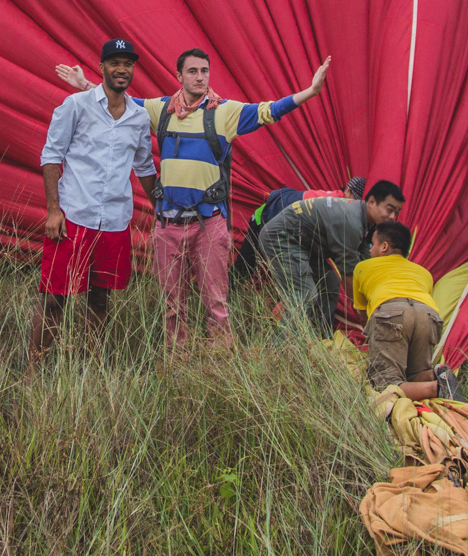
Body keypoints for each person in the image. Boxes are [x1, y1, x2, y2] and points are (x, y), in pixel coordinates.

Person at [57, 49, 331, 346]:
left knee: (216, 302)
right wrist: (85, 86)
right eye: (192, 71)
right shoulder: (160, 109)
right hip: (168, 224)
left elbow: (270, 110)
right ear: (179, 76)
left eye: (204, 71)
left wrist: (311, 92)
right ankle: (178, 365)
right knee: (172, 305)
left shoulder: (225, 112)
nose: (200, 77)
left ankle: (220, 362)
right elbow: (122, 103)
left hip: (209, 223)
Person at [33, 39, 156, 368]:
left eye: (127, 64)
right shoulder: (76, 105)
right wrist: (54, 210)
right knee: (55, 298)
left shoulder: (139, 117)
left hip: (115, 221)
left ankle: (88, 367)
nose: (121, 69)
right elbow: (51, 157)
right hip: (74, 215)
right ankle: (34, 369)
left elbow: (144, 167)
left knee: (100, 298)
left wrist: (161, 209)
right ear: (101, 67)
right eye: (114, 63)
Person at [257, 180, 406, 337]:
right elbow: (349, 275)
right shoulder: (351, 221)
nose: (392, 217)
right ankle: (283, 348)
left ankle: (319, 339)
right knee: (304, 294)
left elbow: (363, 263)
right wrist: (361, 312)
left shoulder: (366, 221)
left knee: (330, 283)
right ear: (372, 202)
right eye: (389, 210)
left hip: (305, 246)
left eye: (397, 212)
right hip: (281, 239)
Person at [352, 221, 462, 401]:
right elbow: (420, 304)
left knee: (385, 385)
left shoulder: (362, 267)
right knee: (414, 374)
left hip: (391, 311)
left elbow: (363, 314)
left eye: (372, 245)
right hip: (428, 314)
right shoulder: (424, 273)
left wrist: (375, 338)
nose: (370, 250)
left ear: (384, 247)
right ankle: (434, 374)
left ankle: (436, 388)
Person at [237, 176, 366, 279]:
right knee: (245, 268)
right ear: (347, 190)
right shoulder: (335, 205)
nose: (356, 206)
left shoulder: (341, 207)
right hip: (265, 218)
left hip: (288, 232)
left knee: (324, 281)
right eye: (356, 199)